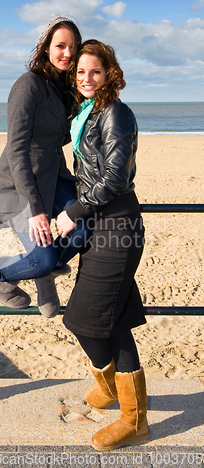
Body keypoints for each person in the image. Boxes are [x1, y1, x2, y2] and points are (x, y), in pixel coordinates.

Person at [56, 40, 149, 450]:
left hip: (117, 226)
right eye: (80, 73)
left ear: (110, 73)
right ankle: (118, 397)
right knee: (113, 321)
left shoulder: (116, 113)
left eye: (94, 71)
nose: (86, 79)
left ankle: (133, 420)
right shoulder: (85, 113)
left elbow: (113, 178)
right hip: (99, 226)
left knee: (83, 319)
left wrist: (72, 212)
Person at [0, 16, 90, 318]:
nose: (67, 53)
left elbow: (59, 138)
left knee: (85, 226)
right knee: (42, 259)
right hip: (18, 186)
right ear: (45, 49)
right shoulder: (28, 85)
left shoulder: (66, 89)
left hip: (55, 178)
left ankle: (45, 269)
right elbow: (16, 148)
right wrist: (36, 210)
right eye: (60, 46)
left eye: (73, 47)